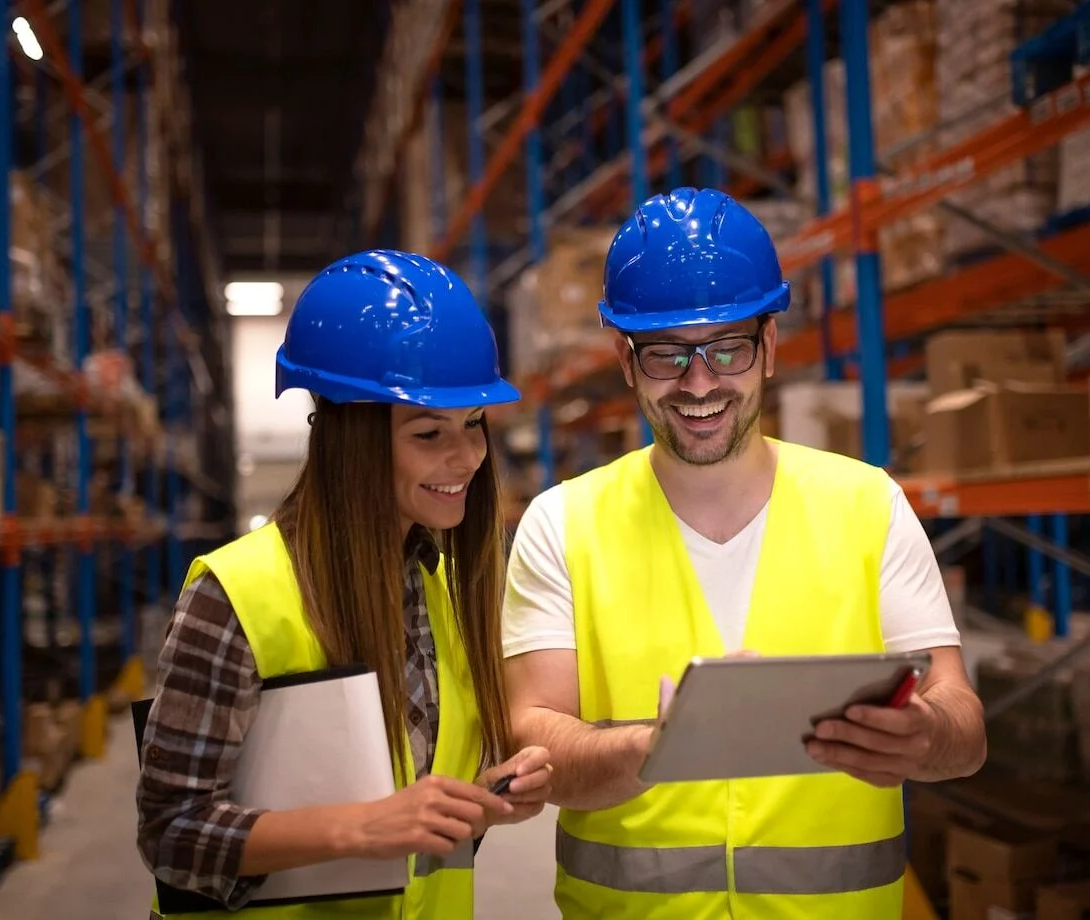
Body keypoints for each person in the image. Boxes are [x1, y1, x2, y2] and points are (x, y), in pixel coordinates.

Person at [502, 188, 987, 919]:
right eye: (668, 356)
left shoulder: (866, 504)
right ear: (625, 361)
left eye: (727, 348)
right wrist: (655, 748)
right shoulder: (562, 523)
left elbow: (965, 727)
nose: (700, 384)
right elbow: (534, 735)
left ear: (769, 346)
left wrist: (926, 736)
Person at [136, 250, 553, 919]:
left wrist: (477, 800)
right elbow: (171, 833)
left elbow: (415, 796)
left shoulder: (437, 585)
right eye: (428, 432)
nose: (467, 458)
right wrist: (358, 829)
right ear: (351, 441)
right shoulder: (237, 596)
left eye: (474, 425)